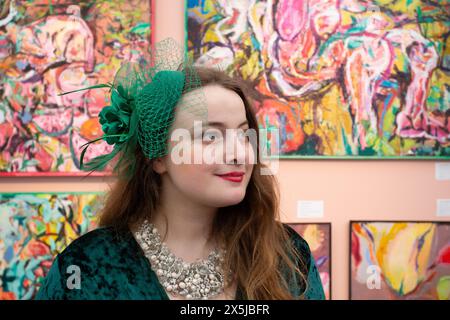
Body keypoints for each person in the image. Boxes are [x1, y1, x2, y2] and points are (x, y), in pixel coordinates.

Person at [35, 38, 325, 300]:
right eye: (211, 136)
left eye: (243, 134)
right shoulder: (88, 266)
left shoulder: (288, 257)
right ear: (157, 157)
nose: (240, 154)